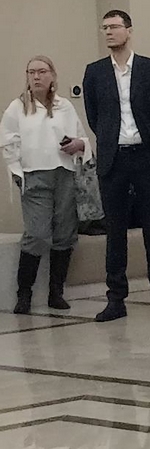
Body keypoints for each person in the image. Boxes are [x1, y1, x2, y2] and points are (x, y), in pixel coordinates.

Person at [82, 10, 150, 322]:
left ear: (129, 30)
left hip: (145, 156)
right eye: (105, 27)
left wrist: (146, 137)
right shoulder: (94, 72)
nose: (109, 32)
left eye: (115, 26)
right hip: (114, 159)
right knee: (115, 232)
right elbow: (94, 116)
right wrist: (112, 139)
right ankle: (115, 299)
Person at [0, 56, 92, 314]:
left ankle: (56, 292)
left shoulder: (65, 106)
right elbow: (7, 142)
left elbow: (82, 138)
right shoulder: (17, 107)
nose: (36, 77)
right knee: (38, 233)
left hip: (64, 173)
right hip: (35, 175)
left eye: (41, 71)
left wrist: (78, 144)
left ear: (52, 75)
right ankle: (24, 294)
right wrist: (18, 173)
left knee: (64, 233)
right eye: (31, 72)